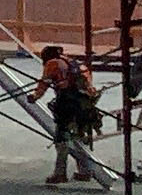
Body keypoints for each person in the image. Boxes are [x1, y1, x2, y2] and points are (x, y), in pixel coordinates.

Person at [40, 46, 106, 186]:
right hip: (85, 106)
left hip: (67, 106)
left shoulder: (52, 64)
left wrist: (34, 97)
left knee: (61, 139)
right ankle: (84, 171)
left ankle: (60, 174)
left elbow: (43, 84)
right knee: (80, 137)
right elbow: (89, 87)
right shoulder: (76, 64)